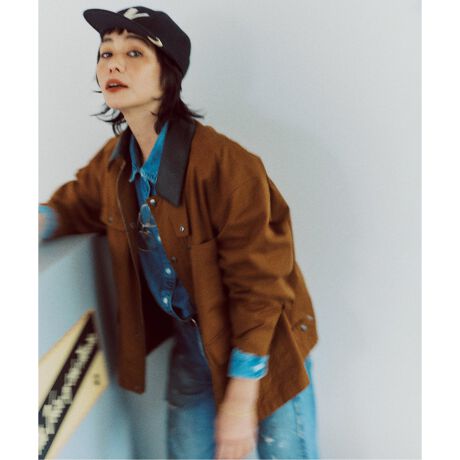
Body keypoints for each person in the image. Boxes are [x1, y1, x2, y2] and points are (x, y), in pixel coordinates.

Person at [39, 6, 320, 460]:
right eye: (106, 52)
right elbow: (74, 205)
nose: (113, 64)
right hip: (194, 345)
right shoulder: (115, 162)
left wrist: (241, 399)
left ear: (168, 75)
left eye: (134, 53)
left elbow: (260, 286)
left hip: (264, 348)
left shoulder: (227, 166)